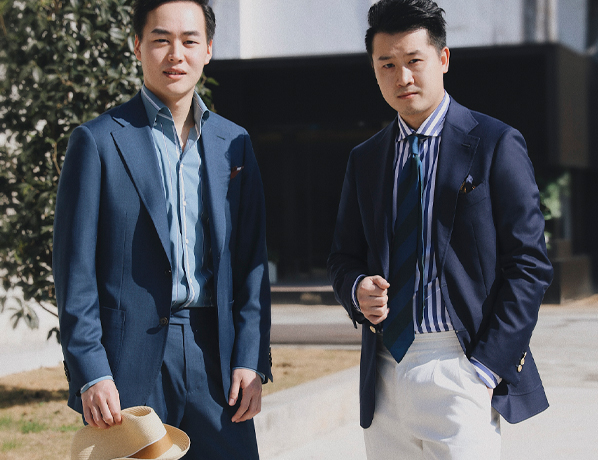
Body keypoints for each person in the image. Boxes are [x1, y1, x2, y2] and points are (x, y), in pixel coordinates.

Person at [327, 0, 553, 458]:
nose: (402, 77)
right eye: (387, 65)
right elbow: (343, 256)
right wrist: (356, 288)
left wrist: (485, 368)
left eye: (414, 61)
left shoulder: (495, 143)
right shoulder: (366, 159)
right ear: (374, 70)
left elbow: (529, 264)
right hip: (384, 369)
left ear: (443, 59)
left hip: (461, 362)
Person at [53, 1, 272, 458]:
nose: (176, 54)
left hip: (217, 358)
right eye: (160, 40)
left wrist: (250, 357)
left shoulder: (233, 143)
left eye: (190, 40)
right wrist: (92, 370)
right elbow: (75, 271)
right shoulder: (97, 141)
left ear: (208, 49)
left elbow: (251, 262)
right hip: (128, 365)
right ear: (137, 46)